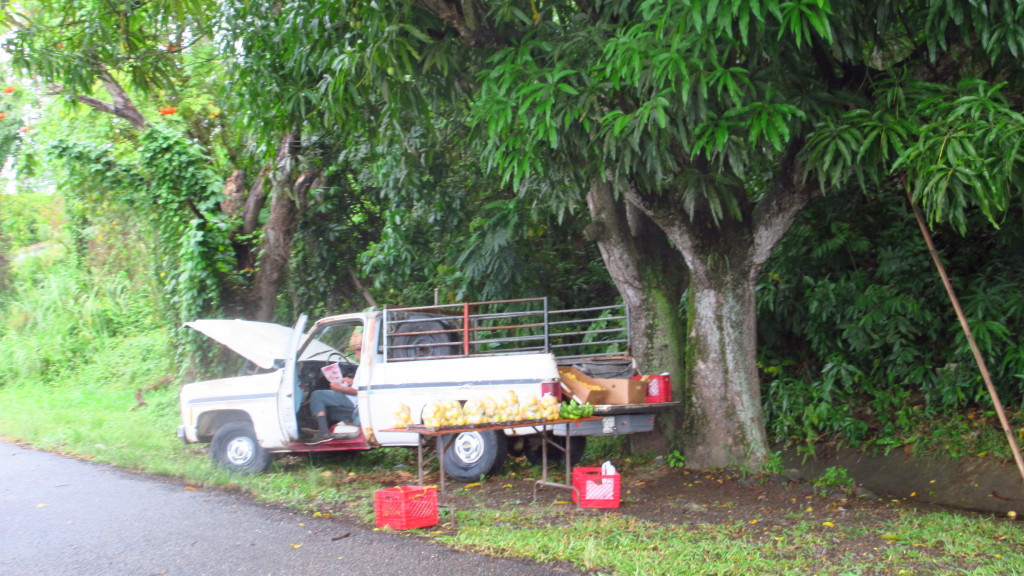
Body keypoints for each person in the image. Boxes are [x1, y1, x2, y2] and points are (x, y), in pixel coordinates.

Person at [307, 329, 362, 444]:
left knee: (317, 395)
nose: (356, 354)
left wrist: (338, 388)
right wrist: (351, 381)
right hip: (353, 398)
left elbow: (360, 391)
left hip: (353, 400)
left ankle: (323, 432)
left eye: (357, 351)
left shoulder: (365, 365)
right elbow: (361, 384)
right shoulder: (366, 364)